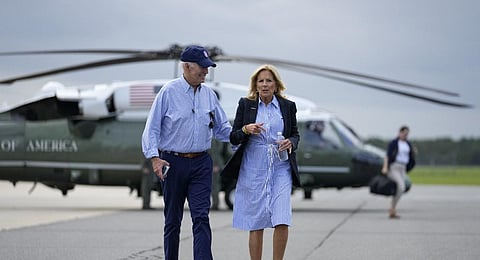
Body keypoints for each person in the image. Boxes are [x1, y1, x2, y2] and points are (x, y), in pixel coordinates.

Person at [141, 45, 232, 260]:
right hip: (173, 162)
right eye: (202, 67)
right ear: (187, 67)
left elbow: (222, 129)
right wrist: (155, 158)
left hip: (201, 163)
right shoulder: (168, 92)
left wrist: (245, 133)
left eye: (207, 68)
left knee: (201, 217)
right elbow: (151, 129)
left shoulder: (209, 95)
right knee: (173, 220)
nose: (206, 72)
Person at [223, 64, 300, 260]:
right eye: (261, 81)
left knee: (282, 218)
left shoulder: (288, 106)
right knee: (256, 221)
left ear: (276, 85)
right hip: (253, 166)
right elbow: (234, 137)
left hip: (280, 166)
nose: (265, 84)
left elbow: (296, 135)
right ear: (255, 85)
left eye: (269, 81)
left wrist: (289, 142)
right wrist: (247, 130)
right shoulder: (245, 104)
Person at [381, 125, 416, 219]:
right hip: (394, 167)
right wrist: (385, 167)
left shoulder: (408, 144)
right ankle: (392, 208)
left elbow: (410, 156)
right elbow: (387, 156)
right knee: (401, 186)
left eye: (407, 134)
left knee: (401, 188)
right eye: (404, 134)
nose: (405, 136)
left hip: (403, 168)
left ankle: (392, 209)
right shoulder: (394, 143)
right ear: (400, 133)